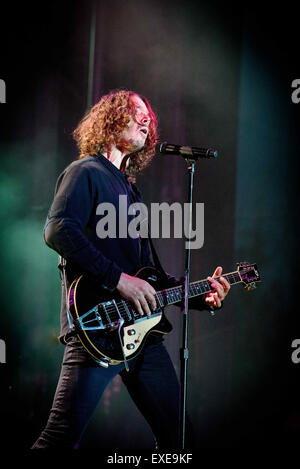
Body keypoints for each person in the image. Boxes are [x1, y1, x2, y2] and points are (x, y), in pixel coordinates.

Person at [31, 89, 230, 449]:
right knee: (59, 439)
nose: (146, 119)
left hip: (144, 337)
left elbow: (152, 276)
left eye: (149, 117)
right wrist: (118, 280)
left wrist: (203, 295)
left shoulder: (131, 192)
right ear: (110, 120)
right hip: (97, 329)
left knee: (179, 441)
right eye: (137, 111)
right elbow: (57, 229)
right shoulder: (85, 171)